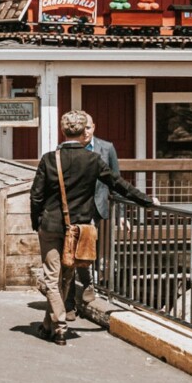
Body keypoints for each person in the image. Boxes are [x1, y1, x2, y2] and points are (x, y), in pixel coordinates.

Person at [32, 110, 154, 345]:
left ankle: (58, 324)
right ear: (82, 131)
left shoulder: (49, 159)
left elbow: (36, 196)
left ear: (63, 130)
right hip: (78, 228)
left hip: (51, 224)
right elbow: (118, 185)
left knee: (51, 276)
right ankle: (49, 325)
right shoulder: (94, 160)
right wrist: (145, 201)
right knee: (66, 276)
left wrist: (35, 221)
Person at [67, 113, 123, 320]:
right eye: (83, 129)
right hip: (74, 208)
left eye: (89, 128)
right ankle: (75, 296)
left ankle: (87, 287)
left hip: (95, 208)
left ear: (94, 127)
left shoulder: (106, 149)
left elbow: (116, 181)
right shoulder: (68, 149)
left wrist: (122, 215)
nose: (86, 132)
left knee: (86, 250)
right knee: (72, 254)